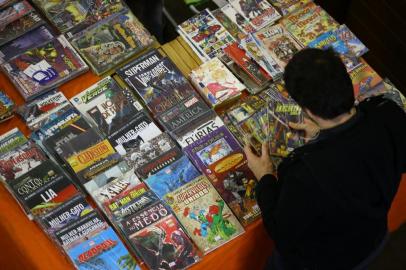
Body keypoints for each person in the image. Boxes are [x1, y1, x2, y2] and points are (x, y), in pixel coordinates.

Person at [244, 48, 406, 270]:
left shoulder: (305, 172)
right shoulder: (389, 113)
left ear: (307, 110)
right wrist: (324, 135)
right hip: (374, 239)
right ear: (348, 83)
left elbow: (281, 232)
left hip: (322, 262)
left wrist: (265, 177)